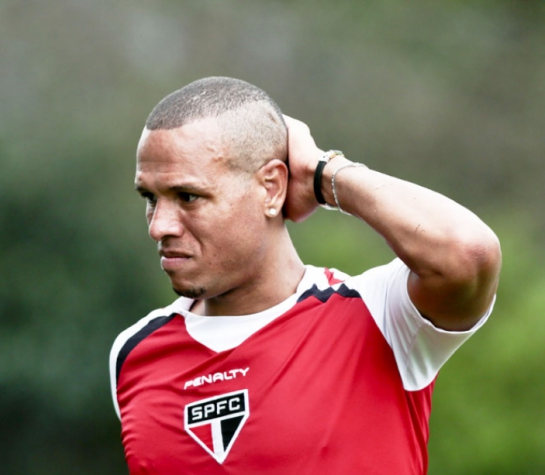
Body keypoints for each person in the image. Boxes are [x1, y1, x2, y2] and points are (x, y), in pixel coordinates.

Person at [109, 77, 501, 474]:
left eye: (188, 197)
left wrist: (322, 173)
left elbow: (469, 254)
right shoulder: (134, 354)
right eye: (150, 198)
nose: (159, 227)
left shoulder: (378, 315)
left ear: (272, 188)